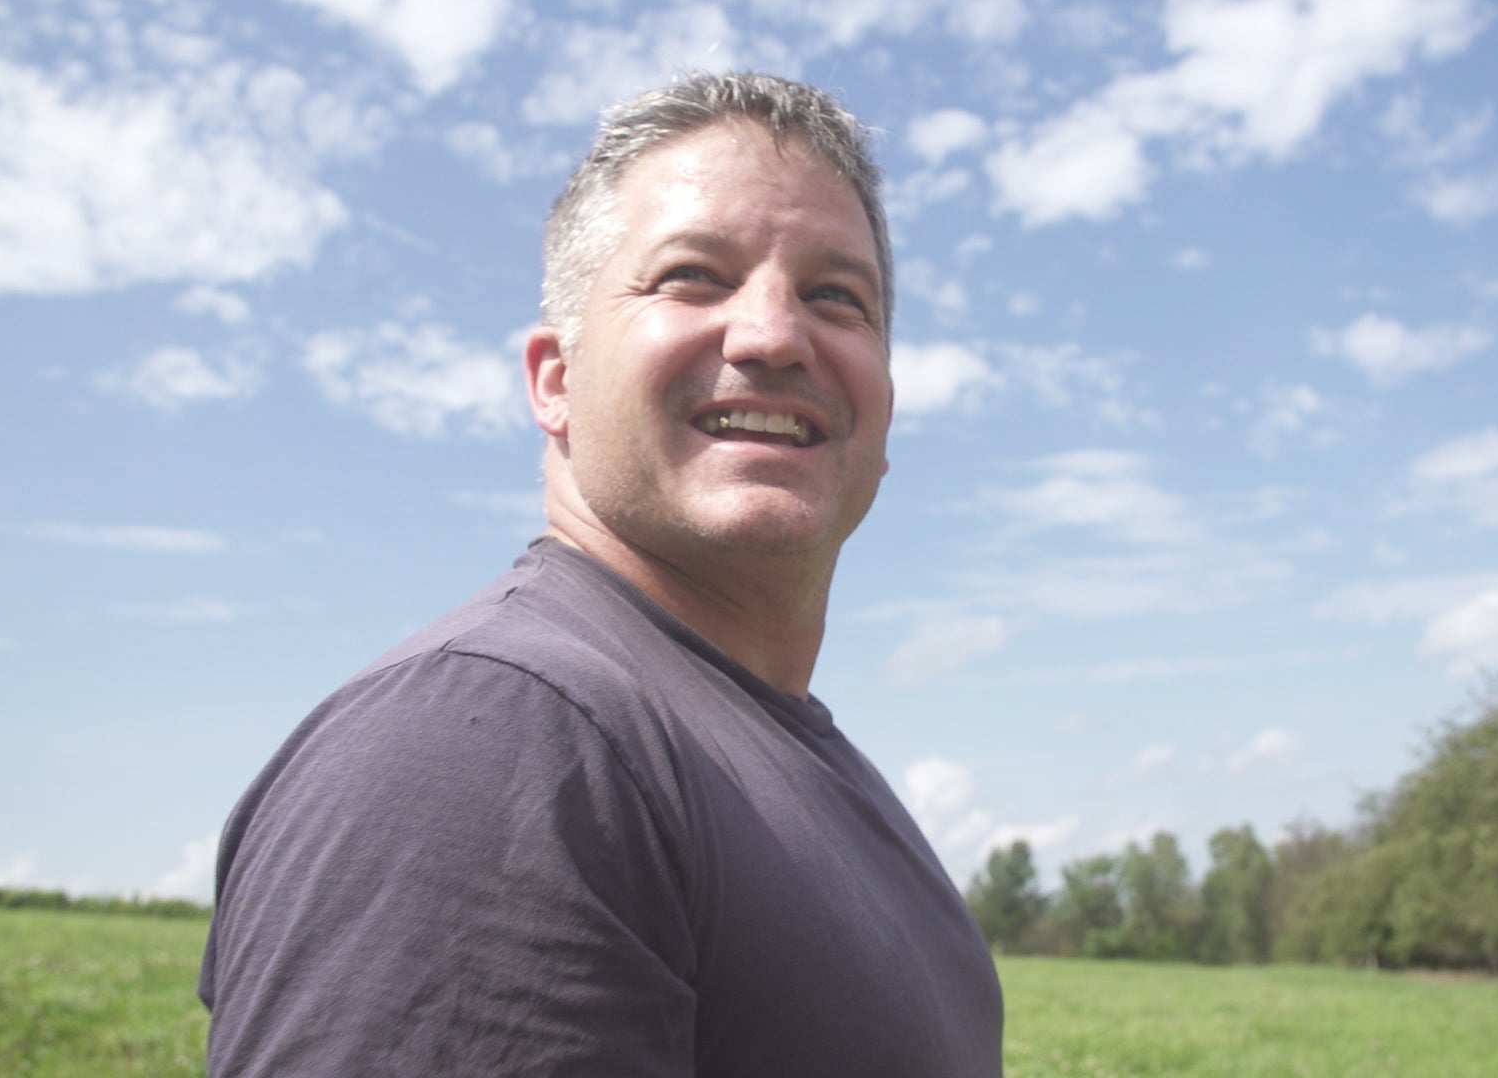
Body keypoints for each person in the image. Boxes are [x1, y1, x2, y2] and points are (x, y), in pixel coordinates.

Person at [198, 72, 1004, 1076]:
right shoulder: (496, 740)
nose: (774, 334)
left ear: (883, 416)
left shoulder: (811, 770)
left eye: (838, 297)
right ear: (556, 379)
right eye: (693, 277)